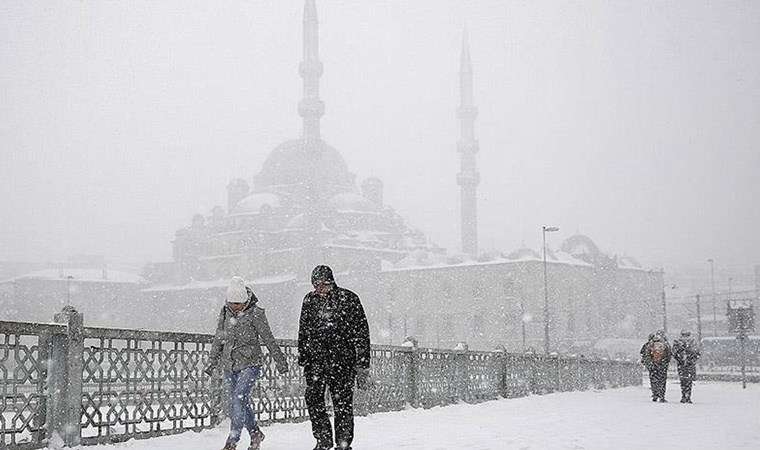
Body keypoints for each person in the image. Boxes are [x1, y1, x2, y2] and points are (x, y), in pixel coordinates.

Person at [205, 276, 288, 450]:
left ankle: (232, 441)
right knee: (241, 402)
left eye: (238, 304)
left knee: (238, 398)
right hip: (229, 365)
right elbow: (219, 338)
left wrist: (280, 361)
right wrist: (212, 362)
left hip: (250, 363)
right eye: (232, 303)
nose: (235, 307)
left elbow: (268, 338)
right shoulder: (225, 312)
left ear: (246, 301)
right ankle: (255, 433)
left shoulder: (256, 313)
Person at [298, 265, 371, 450]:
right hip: (316, 361)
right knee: (314, 399)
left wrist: (362, 362)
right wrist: (303, 356)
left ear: (331, 282)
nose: (319, 288)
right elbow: (304, 330)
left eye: (323, 284)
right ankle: (323, 440)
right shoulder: (309, 300)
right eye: (316, 284)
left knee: (343, 404)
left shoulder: (349, 299)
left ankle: (343, 443)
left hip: (343, 361)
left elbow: (361, 333)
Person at [640, 330, 671, 402]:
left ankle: (655, 394)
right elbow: (669, 355)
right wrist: (665, 363)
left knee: (653, 380)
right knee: (662, 381)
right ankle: (662, 396)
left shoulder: (650, 343)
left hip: (653, 365)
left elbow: (645, 354)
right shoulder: (665, 344)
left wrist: (650, 364)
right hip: (662, 366)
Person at [672, 329, 700, 403]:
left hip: (681, 365)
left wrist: (680, 360)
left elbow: (674, 353)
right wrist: (692, 360)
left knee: (683, 381)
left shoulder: (677, 342)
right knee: (689, 381)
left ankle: (683, 395)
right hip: (690, 365)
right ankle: (688, 396)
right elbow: (697, 353)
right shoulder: (693, 342)